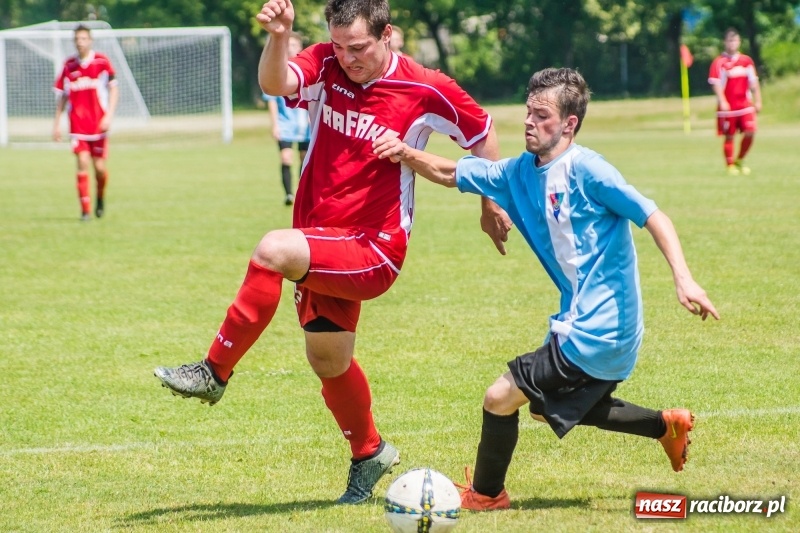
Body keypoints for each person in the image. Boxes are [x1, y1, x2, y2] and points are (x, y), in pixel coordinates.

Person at [154, 0, 510, 505]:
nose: (346, 58)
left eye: (358, 47)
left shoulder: (425, 87)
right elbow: (277, 86)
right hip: (322, 241)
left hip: (373, 247)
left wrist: (488, 202)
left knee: (271, 249)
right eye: (339, 45)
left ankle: (214, 372)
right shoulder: (324, 62)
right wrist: (280, 37)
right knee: (328, 359)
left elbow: (481, 132)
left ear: (387, 34)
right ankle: (370, 453)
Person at [373, 67, 720, 511]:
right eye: (528, 112)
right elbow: (449, 171)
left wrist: (683, 277)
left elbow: (652, 215)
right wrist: (404, 152)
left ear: (569, 124)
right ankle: (665, 426)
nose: (529, 122)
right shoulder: (519, 172)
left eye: (542, 115)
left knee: (500, 397)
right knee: (540, 406)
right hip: (580, 322)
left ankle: (486, 494)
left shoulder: (588, 169)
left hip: (599, 329)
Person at [53, 24, 119, 221]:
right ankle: (85, 210)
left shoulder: (101, 62)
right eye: (77, 39)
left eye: (83, 39)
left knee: (99, 168)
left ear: (90, 41)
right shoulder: (69, 66)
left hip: (98, 126)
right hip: (78, 126)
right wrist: (56, 123)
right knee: (82, 162)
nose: (80, 42)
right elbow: (63, 97)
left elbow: (114, 88)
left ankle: (100, 197)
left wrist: (109, 116)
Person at [263, 31, 310, 206]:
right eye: (287, 45)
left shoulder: (308, 68)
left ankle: (301, 194)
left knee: (304, 159)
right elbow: (272, 100)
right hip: (286, 125)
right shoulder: (278, 68)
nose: (290, 49)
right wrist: (275, 124)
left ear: (300, 47)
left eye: (294, 45)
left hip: (306, 125)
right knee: (286, 157)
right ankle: (289, 194)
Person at [708, 27, 762, 176]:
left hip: (745, 105)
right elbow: (716, 84)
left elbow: (754, 83)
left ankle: (740, 160)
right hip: (728, 107)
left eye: (735, 40)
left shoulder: (746, 61)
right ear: (725, 42)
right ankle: (730, 165)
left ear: (739, 42)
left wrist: (758, 100)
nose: (733, 43)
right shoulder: (719, 62)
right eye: (730, 40)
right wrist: (723, 101)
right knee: (729, 135)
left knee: (750, 132)